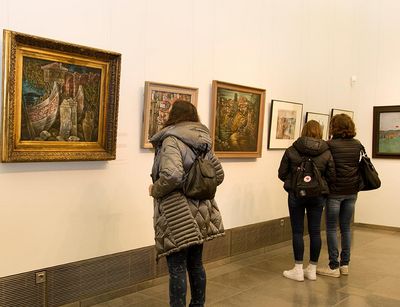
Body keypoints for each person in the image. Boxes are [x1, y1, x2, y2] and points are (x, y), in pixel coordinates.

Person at [149, 100, 225, 307]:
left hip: (177, 210)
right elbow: (218, 174)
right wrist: (196, 185)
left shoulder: (171, 139)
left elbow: (172, 175)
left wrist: (154, 189)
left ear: (175, 115)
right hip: (202, 209)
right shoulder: (202, 141)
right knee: (196, 263)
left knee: (177, 267)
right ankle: (198, 304)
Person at [278, 120, 335, 281]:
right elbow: (332, 176)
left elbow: (281, 173)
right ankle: (312, 269)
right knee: (315, 231)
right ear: (319, 132)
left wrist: (294, 182)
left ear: (303, 131)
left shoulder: (292, 149)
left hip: (296, 194)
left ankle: (297, 269)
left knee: (297, 231)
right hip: (317, 196)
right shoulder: (326, 152)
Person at [317, 114, 363, 278]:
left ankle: (333, 266)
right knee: (345, 228)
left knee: (330, 228)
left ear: (334, 127)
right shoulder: (357, 144)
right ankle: (345, 265)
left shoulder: (329, 145)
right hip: (352, 192)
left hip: (334, 192)